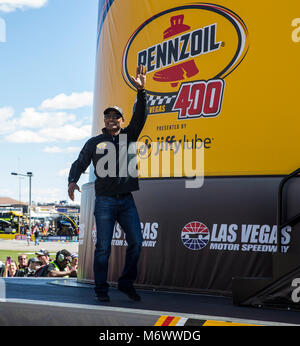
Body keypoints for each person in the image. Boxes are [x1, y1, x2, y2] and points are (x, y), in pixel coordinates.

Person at [68, 65, 147, 302]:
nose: (111, 119)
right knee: (103, 248)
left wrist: (141, 91)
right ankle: (101, 290)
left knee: (137, 242)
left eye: (116, 116)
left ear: (122, 121)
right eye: (108, 116)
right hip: (104, 201)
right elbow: (80, 162)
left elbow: (141, 115)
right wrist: (72, 180)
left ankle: (125, 283)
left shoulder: (129, 136)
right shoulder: (94, 142)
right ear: (104, 120)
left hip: (126, 201)